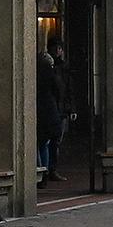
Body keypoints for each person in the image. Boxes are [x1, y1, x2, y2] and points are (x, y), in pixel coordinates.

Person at [36, 46, 64, 185]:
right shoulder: (52, 76)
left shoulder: (36, 77)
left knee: (39, 145)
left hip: (40, 113)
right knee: (45, 145)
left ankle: (41, 172)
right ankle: (46, 173)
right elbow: (59, 92)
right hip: (51, 113)